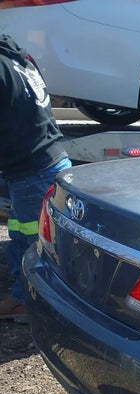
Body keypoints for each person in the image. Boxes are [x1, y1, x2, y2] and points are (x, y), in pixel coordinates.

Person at [0, 34, 71, 321]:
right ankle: (23, 296)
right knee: (21, 232)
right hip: (46, 160)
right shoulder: (19, 58)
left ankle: (27, 302)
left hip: (32, 169)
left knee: (36, 244)